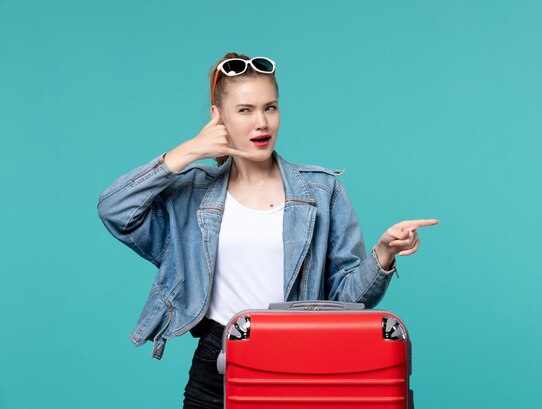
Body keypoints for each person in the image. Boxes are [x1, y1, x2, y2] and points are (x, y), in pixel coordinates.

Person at [97, 52, 438, 409]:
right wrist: (188, 151)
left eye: (270, 108)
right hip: (218, 365)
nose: (261, 123)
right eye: (245, 110)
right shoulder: (191, 195)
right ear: (218, 117)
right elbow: (115, 209)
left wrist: (384, 253)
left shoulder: (322, 191)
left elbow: (348, 303)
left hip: (303, 362)